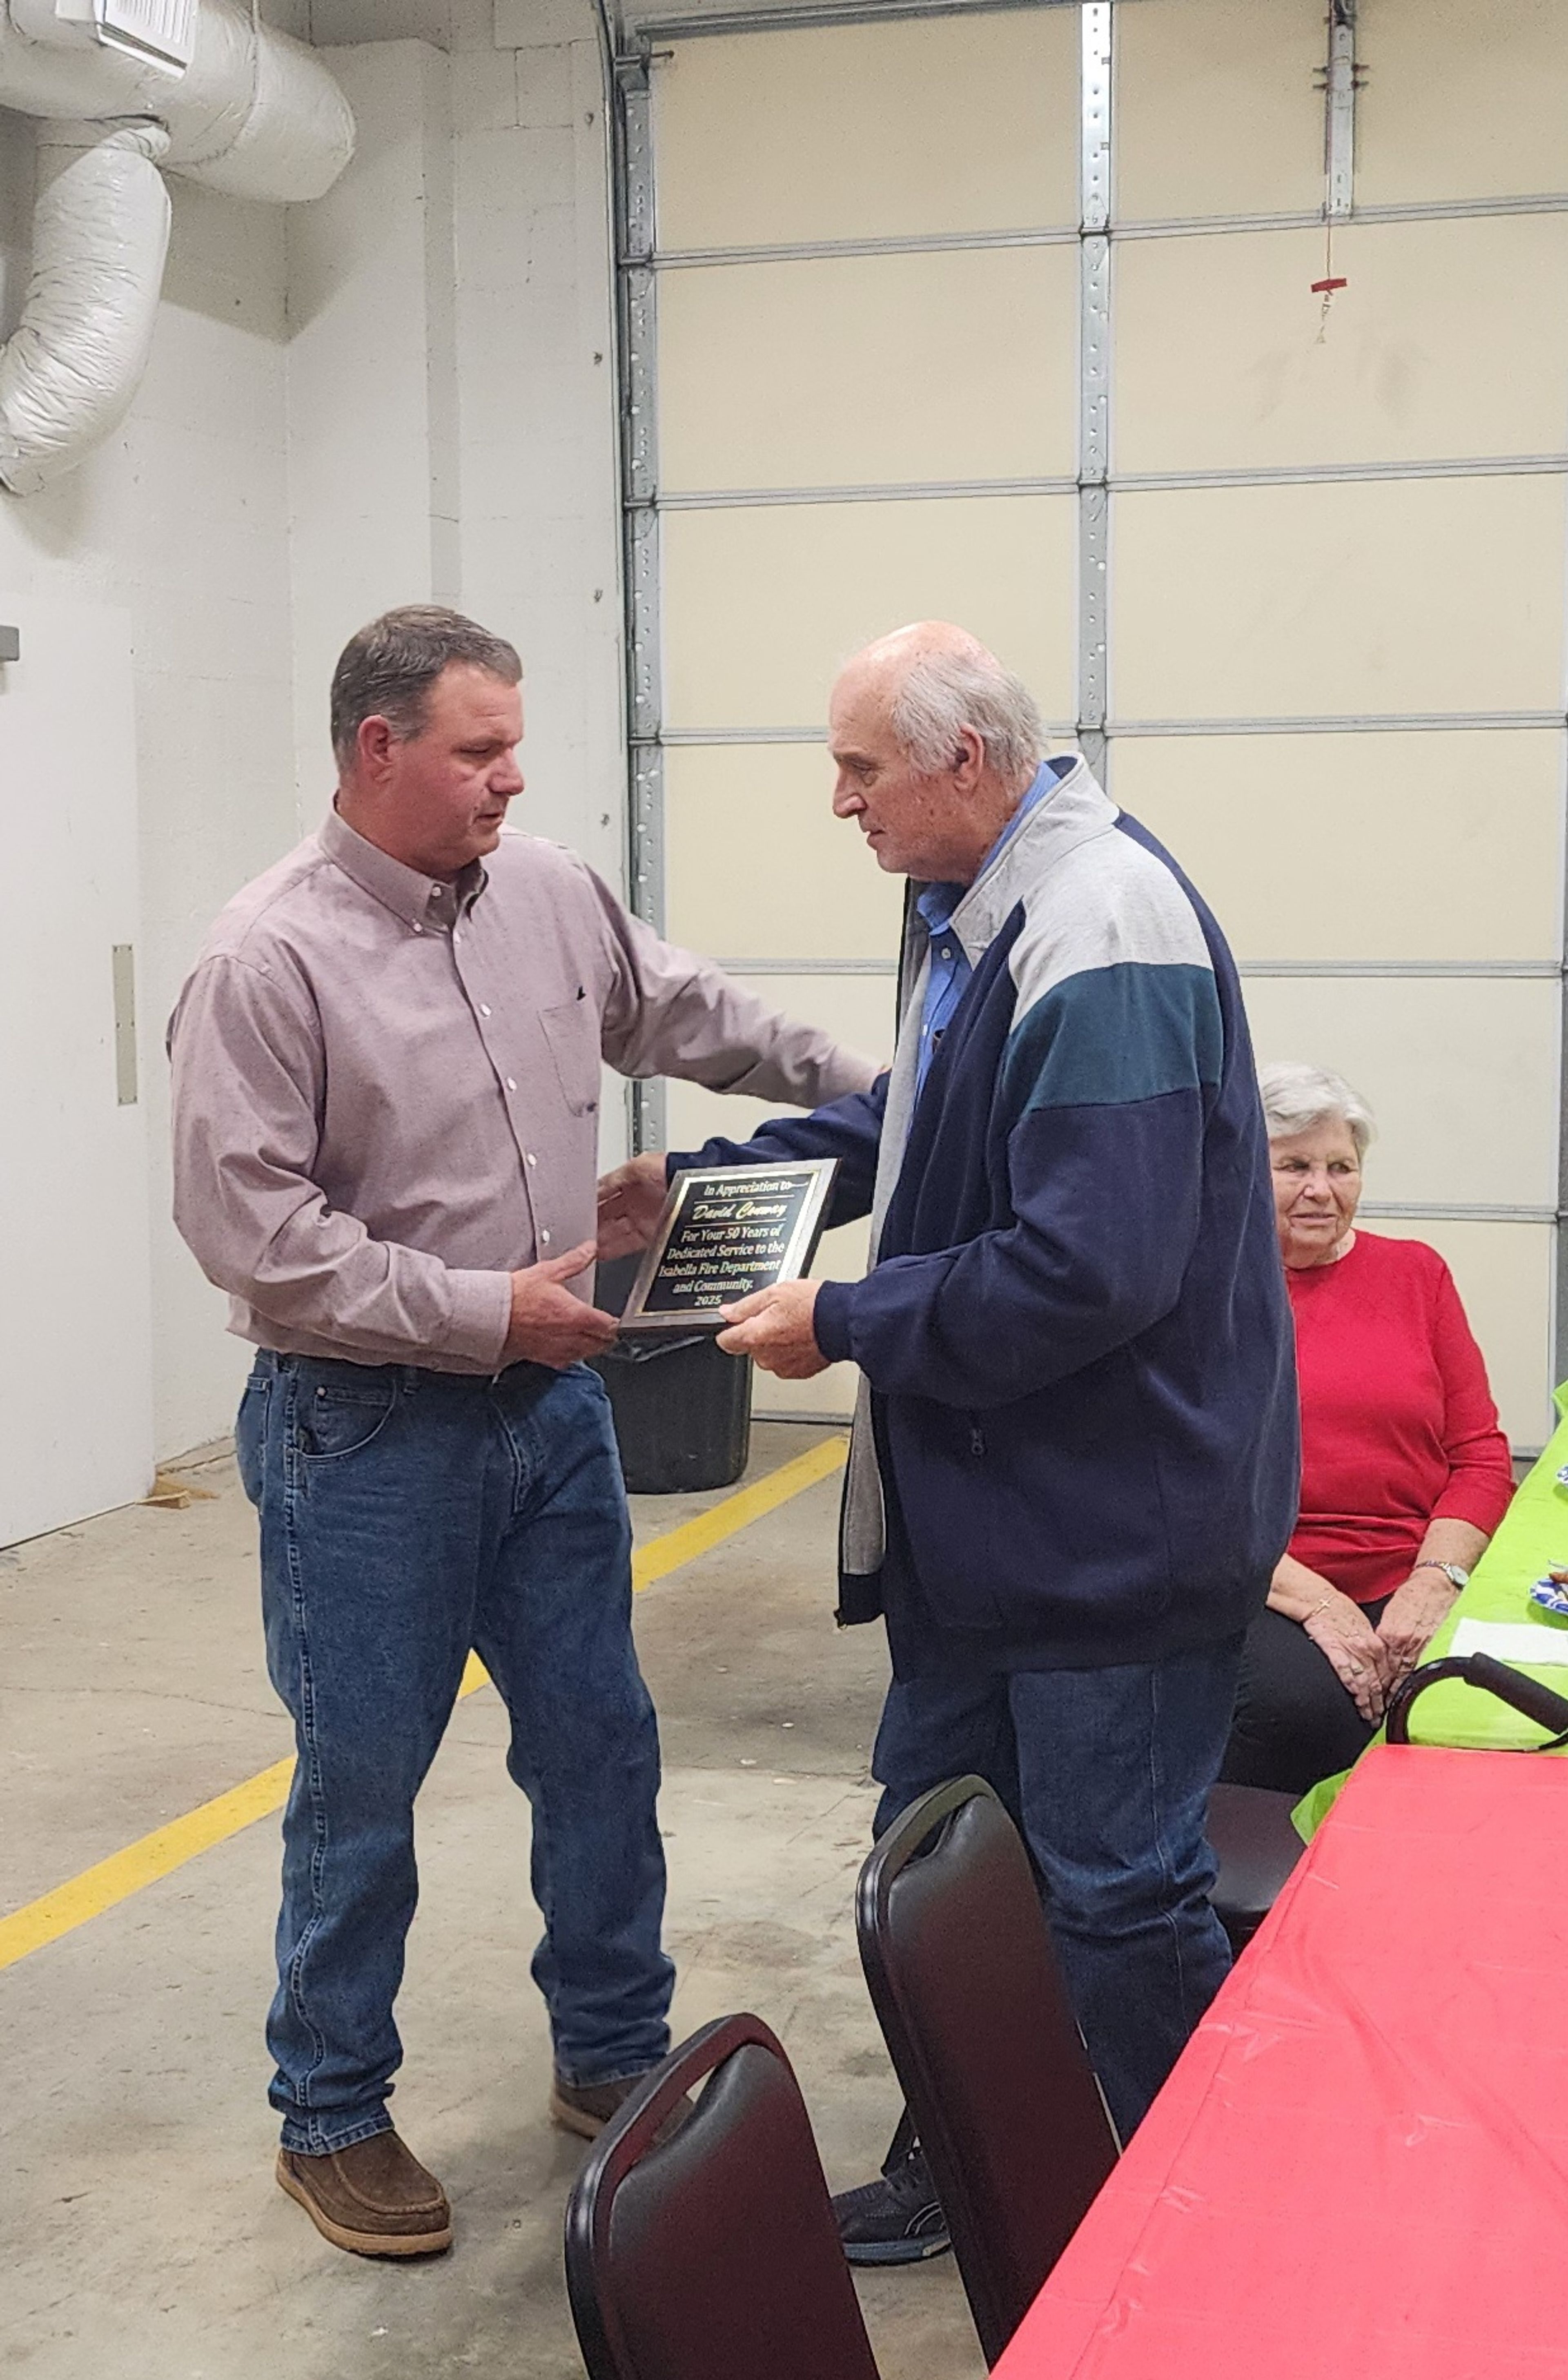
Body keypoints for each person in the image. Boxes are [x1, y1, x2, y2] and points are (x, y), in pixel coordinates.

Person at [168, 605, 878, 2261]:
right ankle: (329, 2109)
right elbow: (253, 1233)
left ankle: (613, 2046)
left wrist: (903, 1088)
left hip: (552, 1410)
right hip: (366, 1427)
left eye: (514, 745)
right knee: (363, 1780)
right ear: (379, 748)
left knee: (599, 1740)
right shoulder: (266, 959)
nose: (512, 776)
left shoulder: (547, 891)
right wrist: (486, 1308)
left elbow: (692, 1010)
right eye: (480, 749)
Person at [598, 621, 1298, 2257]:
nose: (839, 801)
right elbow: (911, 1122)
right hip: (986, 1522)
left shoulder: (1103, 926)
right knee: (946, 1872)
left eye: (860, 768)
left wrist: (843, 1321)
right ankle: (974, 2162)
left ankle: (1228, 2224)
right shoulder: (973, 905)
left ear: (962, 762)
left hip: (1113, 1534)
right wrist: (705, 1187)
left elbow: (1094, 1267)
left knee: (1116, 1894)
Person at [1220, 1061, 1513, 1796]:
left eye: (1341, 1167)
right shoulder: (1209, 1290)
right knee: (1309, 1711)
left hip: (1414, 1568)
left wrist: (1435, 1580)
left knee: (1495, 1703)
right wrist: (1320, 1604)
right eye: (1294, 1167)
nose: (1321, 1189)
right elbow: (1186, 1490)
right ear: (1244, 1169)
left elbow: (1479, 1456)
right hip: (1267, 1579)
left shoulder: (1418, 1275)